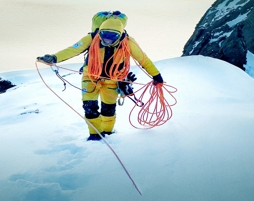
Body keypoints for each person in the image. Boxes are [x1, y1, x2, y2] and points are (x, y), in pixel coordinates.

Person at [37, 11, 163, 141]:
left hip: (113, 79)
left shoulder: (129, 42)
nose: (107, 39)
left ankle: (108, 133)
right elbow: (72, 49)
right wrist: (54, 57)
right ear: (100, 31)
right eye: (104, 35)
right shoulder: (92, 37)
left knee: (108, 109)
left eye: (112, 36)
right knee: (89, 108)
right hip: (90, 77)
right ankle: (95, 134)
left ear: (119, 35)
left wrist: (156, 76)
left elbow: (144, 59)